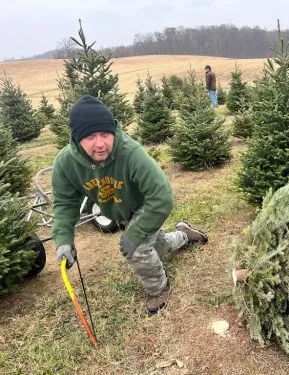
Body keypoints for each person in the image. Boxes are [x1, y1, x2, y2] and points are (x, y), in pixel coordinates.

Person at [52, 95, 208, 316]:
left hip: (147, 204)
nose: (100, 143)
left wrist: (136, 234)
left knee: (136, 248)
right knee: (158, 245)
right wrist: (63, 239)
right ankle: (184, 235)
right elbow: (65, 203)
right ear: (77, 139)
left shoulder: (131, 153)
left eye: (105, 134)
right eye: (89, 136)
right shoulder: (65, 163)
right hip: (121, 211)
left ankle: (159, 289)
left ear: (113, 131)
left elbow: (161, 196)